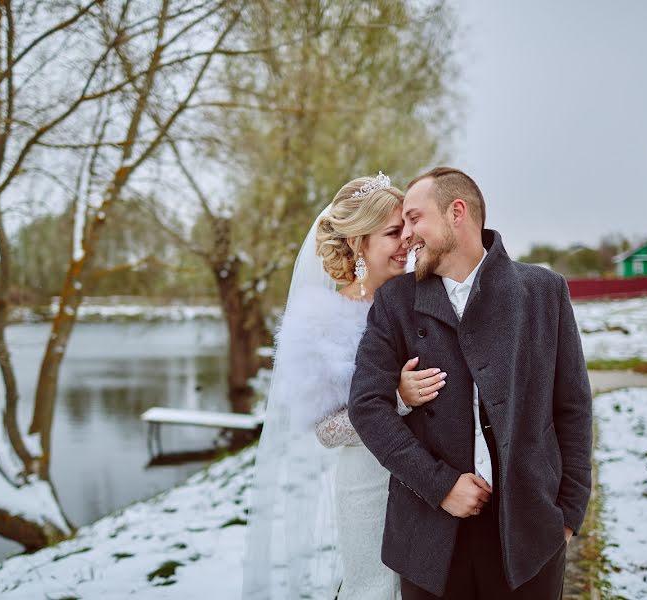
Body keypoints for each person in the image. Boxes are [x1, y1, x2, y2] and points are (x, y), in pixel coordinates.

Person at [348, 166, 593, 599]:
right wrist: (439, 485)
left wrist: (569, 515)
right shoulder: (396, 302)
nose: (406, 234)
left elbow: (572, 408)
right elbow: (367, 406)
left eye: (414, 218)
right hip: (429, 533)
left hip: (529, 531)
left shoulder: (542, 292)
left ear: (456, 212)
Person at [242, 172, 445, 600]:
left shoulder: (425, 297)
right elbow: (327, 429)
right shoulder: (322, 322)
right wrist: (396, 399)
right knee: (376, 587)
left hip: (436, 471)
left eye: (408, 229)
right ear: (358, 243)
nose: (408, 241)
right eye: (393, 233)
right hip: (368, 482)